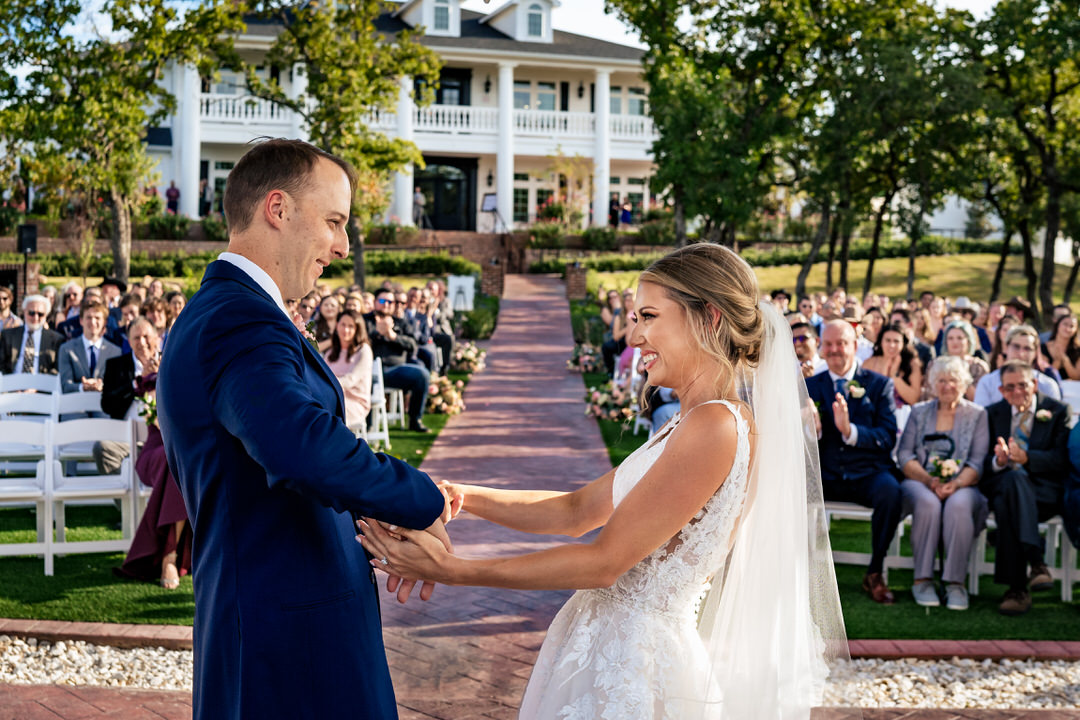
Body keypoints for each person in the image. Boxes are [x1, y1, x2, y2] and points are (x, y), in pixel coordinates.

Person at [360, 243, 848, 718]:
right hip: (605, 644)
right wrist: (461, 495)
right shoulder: (690, 422)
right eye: (636, 318)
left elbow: (604, 562)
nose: (635, 337)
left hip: (637, 663)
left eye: (649, 317)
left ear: (709, 317)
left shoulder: (716, 426)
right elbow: (577, 512)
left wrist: (452, 570)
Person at [156, 139, 447, 719]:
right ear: (278, 209)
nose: (341, 246)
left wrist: (371, 507)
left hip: (289, 623)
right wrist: (423, 499)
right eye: (334, 222)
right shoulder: (238, 320)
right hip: (287, 644)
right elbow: (299, 446)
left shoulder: (229, 311)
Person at [805, 320, 902, 604]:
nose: (835, 350)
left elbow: (887, 436)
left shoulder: (880, 385)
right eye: (829, 344)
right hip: (825, 474)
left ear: (855, 346)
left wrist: (850, 431)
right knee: (786, 489)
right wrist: (813, 429)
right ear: (821, 348)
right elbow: (790, 439)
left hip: (867, 473)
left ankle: (874, 571)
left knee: (891, 492)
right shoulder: (808, 386)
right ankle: (801, 570)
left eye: (841, 343)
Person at [896, 356, 990, 611]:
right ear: (932, 384)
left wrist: (956, 484)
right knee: (928, 503)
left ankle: (954, 582)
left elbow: (978, 461)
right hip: (920, 481)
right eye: (941, 380)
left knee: (958, 506)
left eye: (953, 380)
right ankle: (923, 579)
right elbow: (904, 455)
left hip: (963, 484)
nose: (947, 386)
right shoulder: (919, 411)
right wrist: (929, 480)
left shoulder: (978, 414)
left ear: (964, 383)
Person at [106, 318, 191, 589]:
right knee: (174, 461)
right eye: (135, 338)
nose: (142, 343)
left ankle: (170, 553)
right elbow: (147, 417)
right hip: (149, 448)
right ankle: (169, 556)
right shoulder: (119, 368)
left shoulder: (175, 363)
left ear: (158, 337)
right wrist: (143, 382)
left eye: (147, 336)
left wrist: (164, 375)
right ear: (128, 342)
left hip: (175, 447)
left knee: (177, 461)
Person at [980, 360, 1070, 615]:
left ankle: (1017, 589)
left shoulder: (1057, 411)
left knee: (1008, 500)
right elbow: (981, 461)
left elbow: (1061, 460)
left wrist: (1028, 459)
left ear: (1034, 384)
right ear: (1001, 391)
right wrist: (999, 461)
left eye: (1022, 385)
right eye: (1010, 388)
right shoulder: (992, 413)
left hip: (1043, 492)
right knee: (1011, 483)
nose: (1017, 392)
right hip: (1004, 484)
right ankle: (1036, 561)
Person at [366, 287, 432, 432]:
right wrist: (377, 333)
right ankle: (367, 426)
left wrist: (392, 336)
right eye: (383, 300)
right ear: (375, 302)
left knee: (422, 375)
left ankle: (415, 420)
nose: (387, 304)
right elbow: (358, 342)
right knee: (366, 378)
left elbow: (412, 344)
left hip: (395, 371)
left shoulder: (401, 323)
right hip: (369, 370)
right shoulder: (365, 321)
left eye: (391, 301)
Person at [973, 325, 1062, 406]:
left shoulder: (1048, 385)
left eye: (1027, 349)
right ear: (1006, 348)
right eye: (1016, 346)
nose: (1021, 353)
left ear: (1035, 353)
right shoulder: (987, 383)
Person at [57, 300, 120, 395]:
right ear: (81, 321)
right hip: (75, 405)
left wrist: (102, 386)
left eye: (97, 318)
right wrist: (82, 387)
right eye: (89, 317)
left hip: (102, 406)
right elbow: (66, 385)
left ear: (105, 322)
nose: (93, 322)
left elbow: (116, 385)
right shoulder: (66, 349)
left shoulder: (115, 351)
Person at [324, 309, 373, 430]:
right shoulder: (331, 353)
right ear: (337, 326)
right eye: (343, 325)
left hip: (354, 402)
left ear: (358, 329)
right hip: (332, 398)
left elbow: (350, 380)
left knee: (324, 413)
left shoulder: (363, 351)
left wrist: (327, 385)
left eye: (351, 326)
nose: (346, 330)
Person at [862, 323, 923, 410]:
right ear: (881, 342)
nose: (892, 345)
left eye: (896, 341)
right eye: (888, 340)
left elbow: (913, 399)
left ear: (903, 344)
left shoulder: (912, 365)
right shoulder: (869, 363)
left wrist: (894, 376)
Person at [0, 295, 63, 375]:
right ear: (24, 311)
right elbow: (1, 365)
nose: (35, 318)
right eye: (31, 313)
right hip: (12, 383)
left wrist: (37, 387)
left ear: (46, 315)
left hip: (42, 384)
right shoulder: (8, 335)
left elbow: (57, 370)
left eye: (40, 314)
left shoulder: (56, 339)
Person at [940, 319, 990, 402]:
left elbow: (978, 399)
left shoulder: (979, 367)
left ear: (968, 341)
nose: (955, 342)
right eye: (950, 338)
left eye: (960, 338)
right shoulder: (937, 364)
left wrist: (962, 373)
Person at [1041, 313, 1080, 381]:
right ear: (1058, 325)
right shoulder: (1043, 347)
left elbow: (1076, 377)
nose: (1068, 328)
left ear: (1076, 330)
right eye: (1065, 324)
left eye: (1072, 326)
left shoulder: (1078, 350)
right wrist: (1058, 361)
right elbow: (1045, 376)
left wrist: (1065, 359)